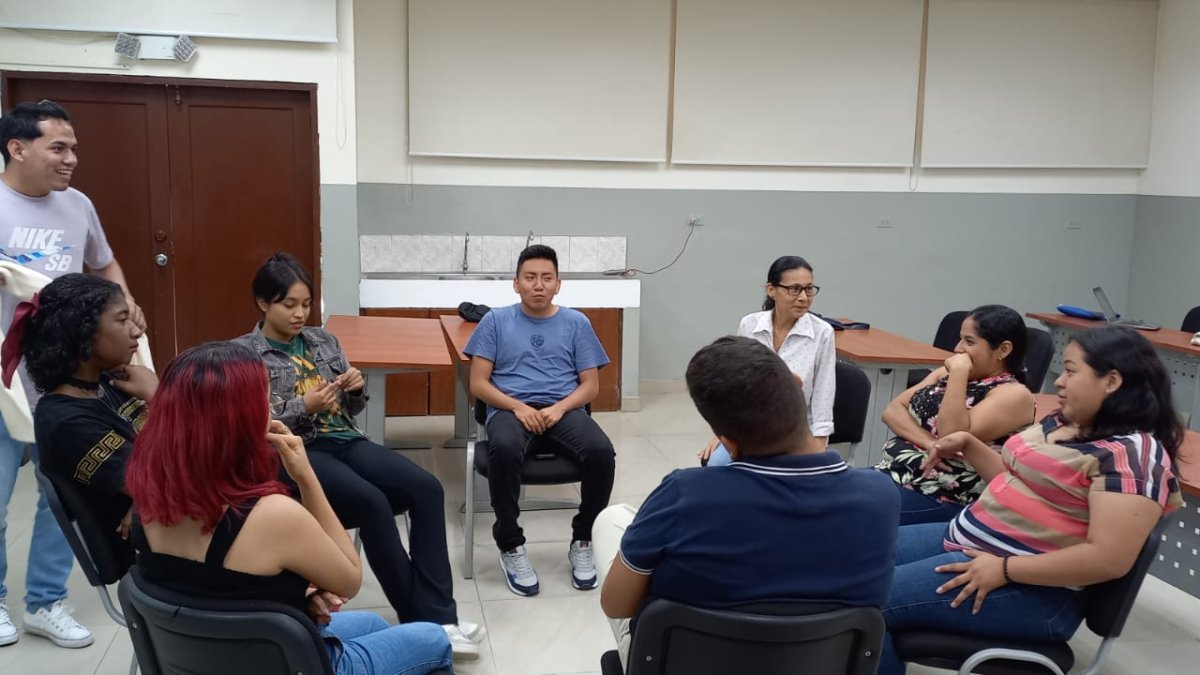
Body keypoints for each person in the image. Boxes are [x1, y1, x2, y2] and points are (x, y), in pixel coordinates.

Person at [124, 342, 454, 674]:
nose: (271, 410)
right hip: (287, 664)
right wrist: (306, 477)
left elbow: (212, 587)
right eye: (265, 402)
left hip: (211, 657)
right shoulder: (273, 515)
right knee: (435, 639)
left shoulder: (147, 502)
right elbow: (349, 580)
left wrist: (291, 598)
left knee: (373, 624)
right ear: (243, 419)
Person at [879, 326, 1184, 674]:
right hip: (971, 542)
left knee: (861, 602)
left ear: (1111, 381)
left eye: (1070, 371)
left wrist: (1006, 569)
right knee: (846, 566)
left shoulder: (1133, 457)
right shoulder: (1067, 422)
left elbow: (1108, 559)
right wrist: (970, 444)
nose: (1059, 382)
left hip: (1033, 590)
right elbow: (1016, 483)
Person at [232, 252, 482, 657]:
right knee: (372, 502)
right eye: (289, 304)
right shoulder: (243, 355)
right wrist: (303, 407)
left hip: (346, 439)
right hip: (297, 451)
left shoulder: (323, 340)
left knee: (428, 488)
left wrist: (356, 387)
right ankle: (427, 623)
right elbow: (251, 424)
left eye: (306, 304)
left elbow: (353, 408)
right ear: (263, 302)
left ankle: (439, 618)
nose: (300, 314)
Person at [598, 336, 899, 666]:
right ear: (798, 384)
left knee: (612, 520)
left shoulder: (684, 494)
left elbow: (617, 605)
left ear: (728, 445)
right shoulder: (880, 496)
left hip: (687, 663)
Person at [0, 100, 146, 649]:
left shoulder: (78, 205)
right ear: (17, 148)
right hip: (3, 379)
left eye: (74, 148)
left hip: (63, 376)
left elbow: (103, 263)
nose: (71, 159)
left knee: (62, 491)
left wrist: (126, 302)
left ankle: (45, 601)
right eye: (58, 148)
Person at [465, 244, 615, 596]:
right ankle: (510, 544)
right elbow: (478, 384)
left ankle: (583, 539)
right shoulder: (495, 321)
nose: (538, 285)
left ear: (558, 284)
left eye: (547, 278)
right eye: (530, 277)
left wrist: (560, 408)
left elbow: (591, 386)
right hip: (510, 409)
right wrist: (518, 407)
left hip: (562, 409)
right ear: (516, 283)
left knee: (601, 452)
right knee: (503, 447)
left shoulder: (576, 323)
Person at [17, 275, 155, 581]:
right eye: (122, 319)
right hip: (157, 555)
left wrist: (142, 496)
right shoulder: (65, 422)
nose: (136, 330)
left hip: (167, 522)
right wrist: (159, 398)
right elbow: (163, 483)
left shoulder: (109, 382)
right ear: (83, 332)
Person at [875, 305, 1035, 524]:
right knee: (830, 492)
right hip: (894, 473)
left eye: (969, 342)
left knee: (846, 511)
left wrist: (959, 374)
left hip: (942, 495)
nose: (958, 349)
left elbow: (951, 434)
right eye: (960, 339)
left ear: (1003, 350)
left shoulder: (1014, 394)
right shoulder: (948, 372)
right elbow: (893, 410)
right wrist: (929, 443)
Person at [701, 255, 836, 466]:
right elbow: (735, 387)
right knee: (716, 466)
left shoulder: (822, 333)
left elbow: (823, 396)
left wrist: (818, 448)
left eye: (809, 289)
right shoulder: (750, 325)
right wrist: (723, 433)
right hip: (749, 430)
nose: (804, 297)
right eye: (795, 289)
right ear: (771, 290)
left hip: (794, 435)